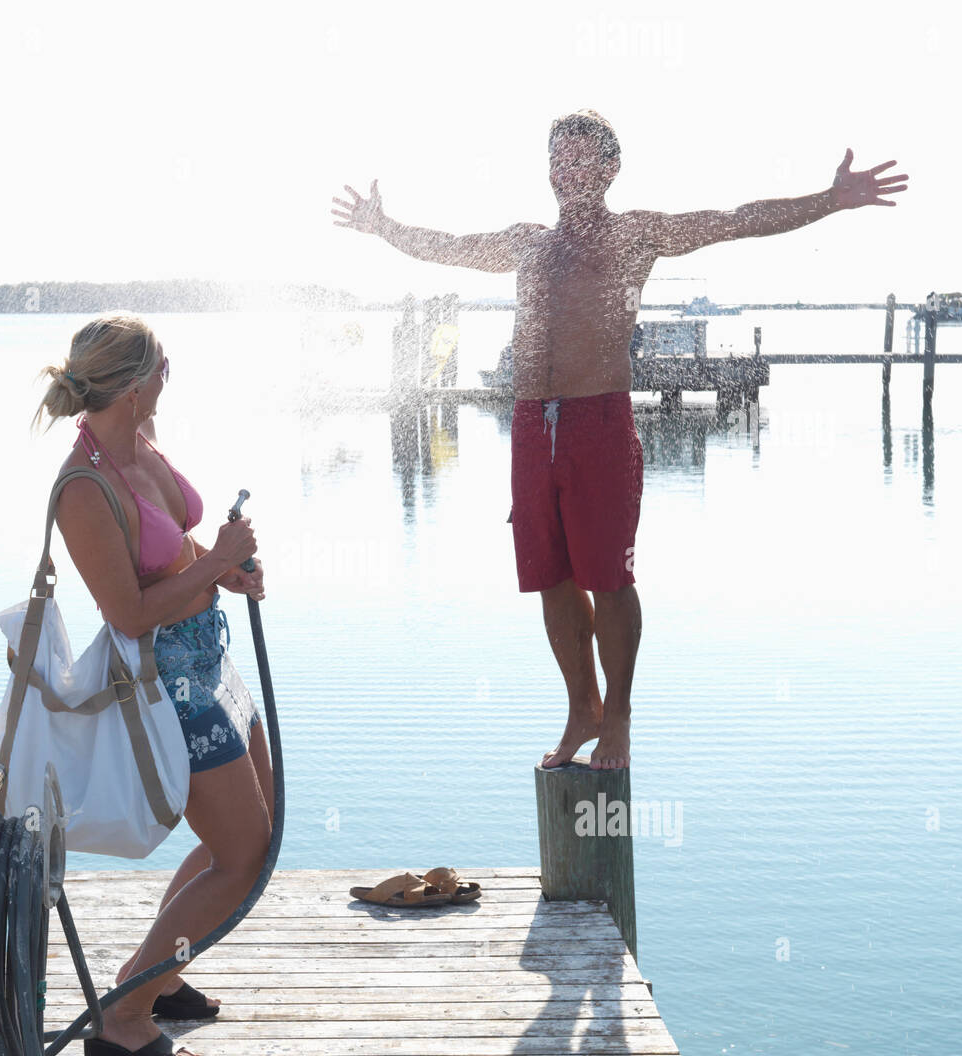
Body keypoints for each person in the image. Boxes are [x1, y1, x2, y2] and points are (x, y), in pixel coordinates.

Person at [332, 109, 907, 770]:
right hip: (529, 424)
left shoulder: (637, 234)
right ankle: (582, 709)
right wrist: (383, 227)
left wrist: (830, 200)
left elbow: (738, 218)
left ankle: (620, 716)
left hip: (596, 420)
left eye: (581, 161)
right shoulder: (529, 243)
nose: (567, 173)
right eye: (558, 161)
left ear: (610, 169)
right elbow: (449, 244)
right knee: (550, 577)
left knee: (608, 577)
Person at [32, 311, 273, 1056]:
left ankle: (159, 975)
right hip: (167, 685)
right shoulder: (82, 487)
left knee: (245, 828)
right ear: (134, 386)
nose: (172, 374)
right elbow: (129, 612)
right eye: (164, 365)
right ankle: (122, 1018)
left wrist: (223, 569)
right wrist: (216, 564)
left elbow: (178, 551)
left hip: (210, 662)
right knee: (244, 854)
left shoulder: (142, 444)